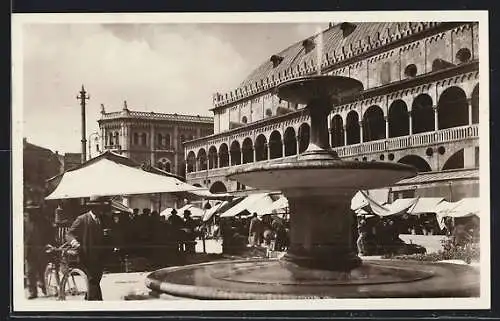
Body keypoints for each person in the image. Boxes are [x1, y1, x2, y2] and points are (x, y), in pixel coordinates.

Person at [65, 196, 109, 301]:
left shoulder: (102, 219)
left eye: (101, 207)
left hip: (99, 257)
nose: (100, 210)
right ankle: (96, 304)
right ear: (92, 207)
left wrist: (107, 235)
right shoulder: (82, 219)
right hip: (86, 256)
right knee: (92, 280)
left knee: (95, 280)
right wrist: (74, 242)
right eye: (98, 207)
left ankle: (88, 299)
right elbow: (69, 234)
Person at [24, 200, 47, 299]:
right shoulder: (24, 222)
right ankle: (32, 292)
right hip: (30, 250)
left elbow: (49, 233)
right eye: (30, 210)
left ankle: (44, 286)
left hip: (42, 249)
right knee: (30, 272)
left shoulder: (43, 222)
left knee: (42, 270)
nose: (32, 212)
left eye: (34, 210)